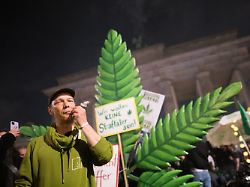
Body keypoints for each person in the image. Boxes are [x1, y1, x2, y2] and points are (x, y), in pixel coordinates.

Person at [15, 88, 113, 187]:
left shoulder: (85, 139)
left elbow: (105, 156)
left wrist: (84, 124)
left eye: (70, 101)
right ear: (50, 110)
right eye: (59, 102)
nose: (66, 105)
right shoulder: (36, 145)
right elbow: (23, 183)